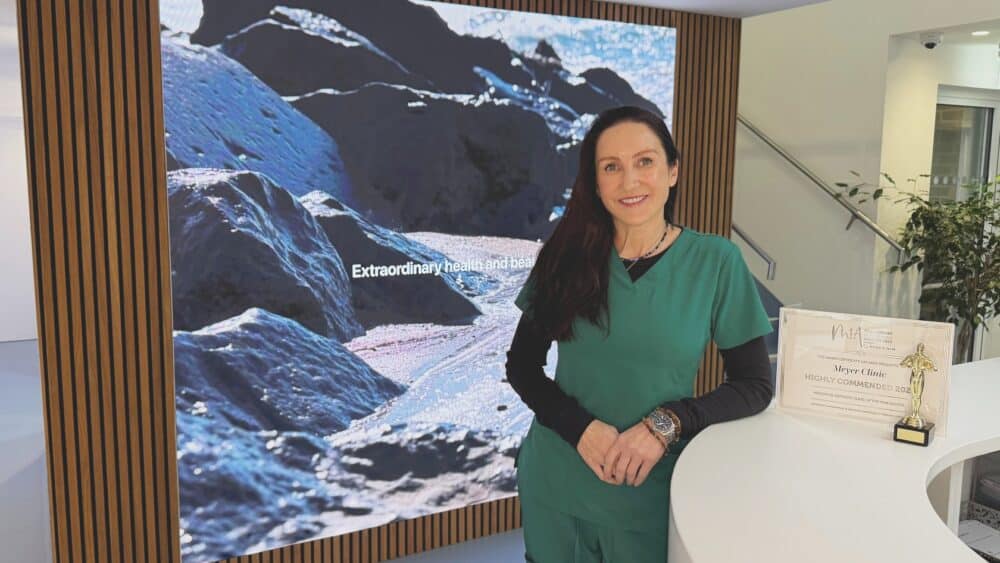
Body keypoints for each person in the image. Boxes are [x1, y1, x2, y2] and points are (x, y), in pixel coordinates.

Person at [506, 106, 774, 563]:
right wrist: (581, 429)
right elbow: (522, 366)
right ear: (596, 182)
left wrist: (667, 421)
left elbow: (754, 386)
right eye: (612, 167)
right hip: (556, 484)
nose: (630, 182)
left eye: (645, 162)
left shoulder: (715, 262)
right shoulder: (566, 257)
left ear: (672, 171)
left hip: (649, 492)